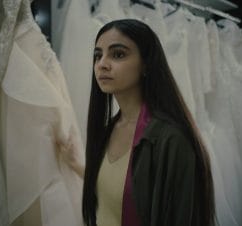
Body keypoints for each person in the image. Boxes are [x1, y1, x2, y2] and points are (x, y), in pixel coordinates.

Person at [60, 19, 215, 226]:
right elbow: (116, 187)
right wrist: (76, 164)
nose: (102, 64)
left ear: (146, 64)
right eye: (98, 55)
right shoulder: (109, 130)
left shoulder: (172, 140)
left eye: (118, 54)